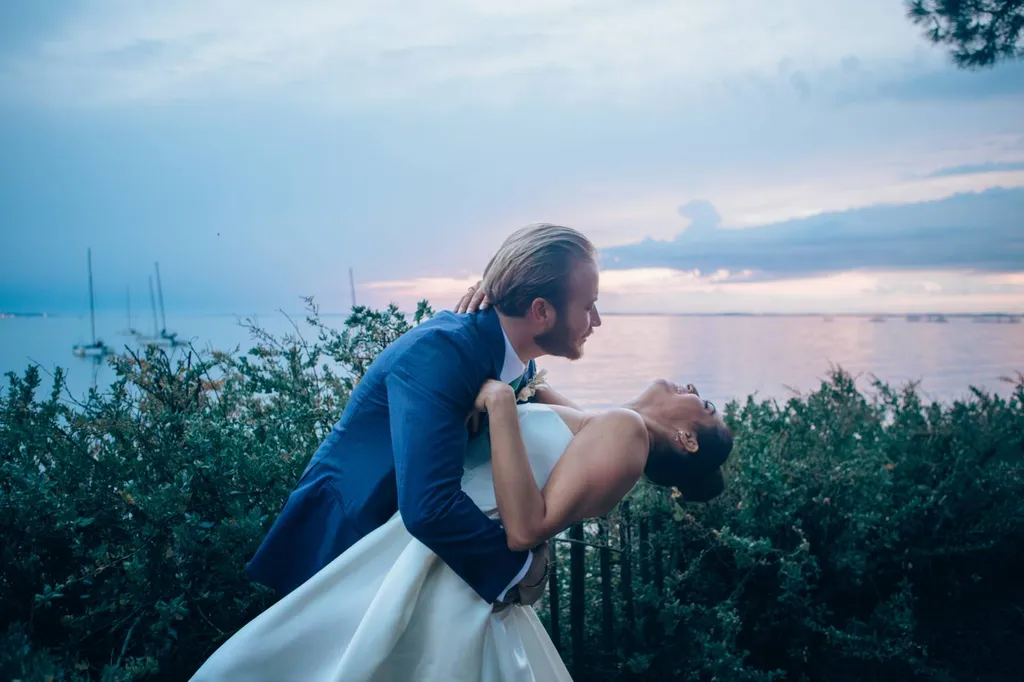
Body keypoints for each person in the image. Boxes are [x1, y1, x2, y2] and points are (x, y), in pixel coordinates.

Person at [190, 374, 731, 681]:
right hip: (434, 547)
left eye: (702, 403)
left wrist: (498, 403)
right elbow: (537, 389)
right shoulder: (609, 424)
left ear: (687, 439)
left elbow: (527, 527)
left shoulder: (628, 435)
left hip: (447, 566)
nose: (689, 385)